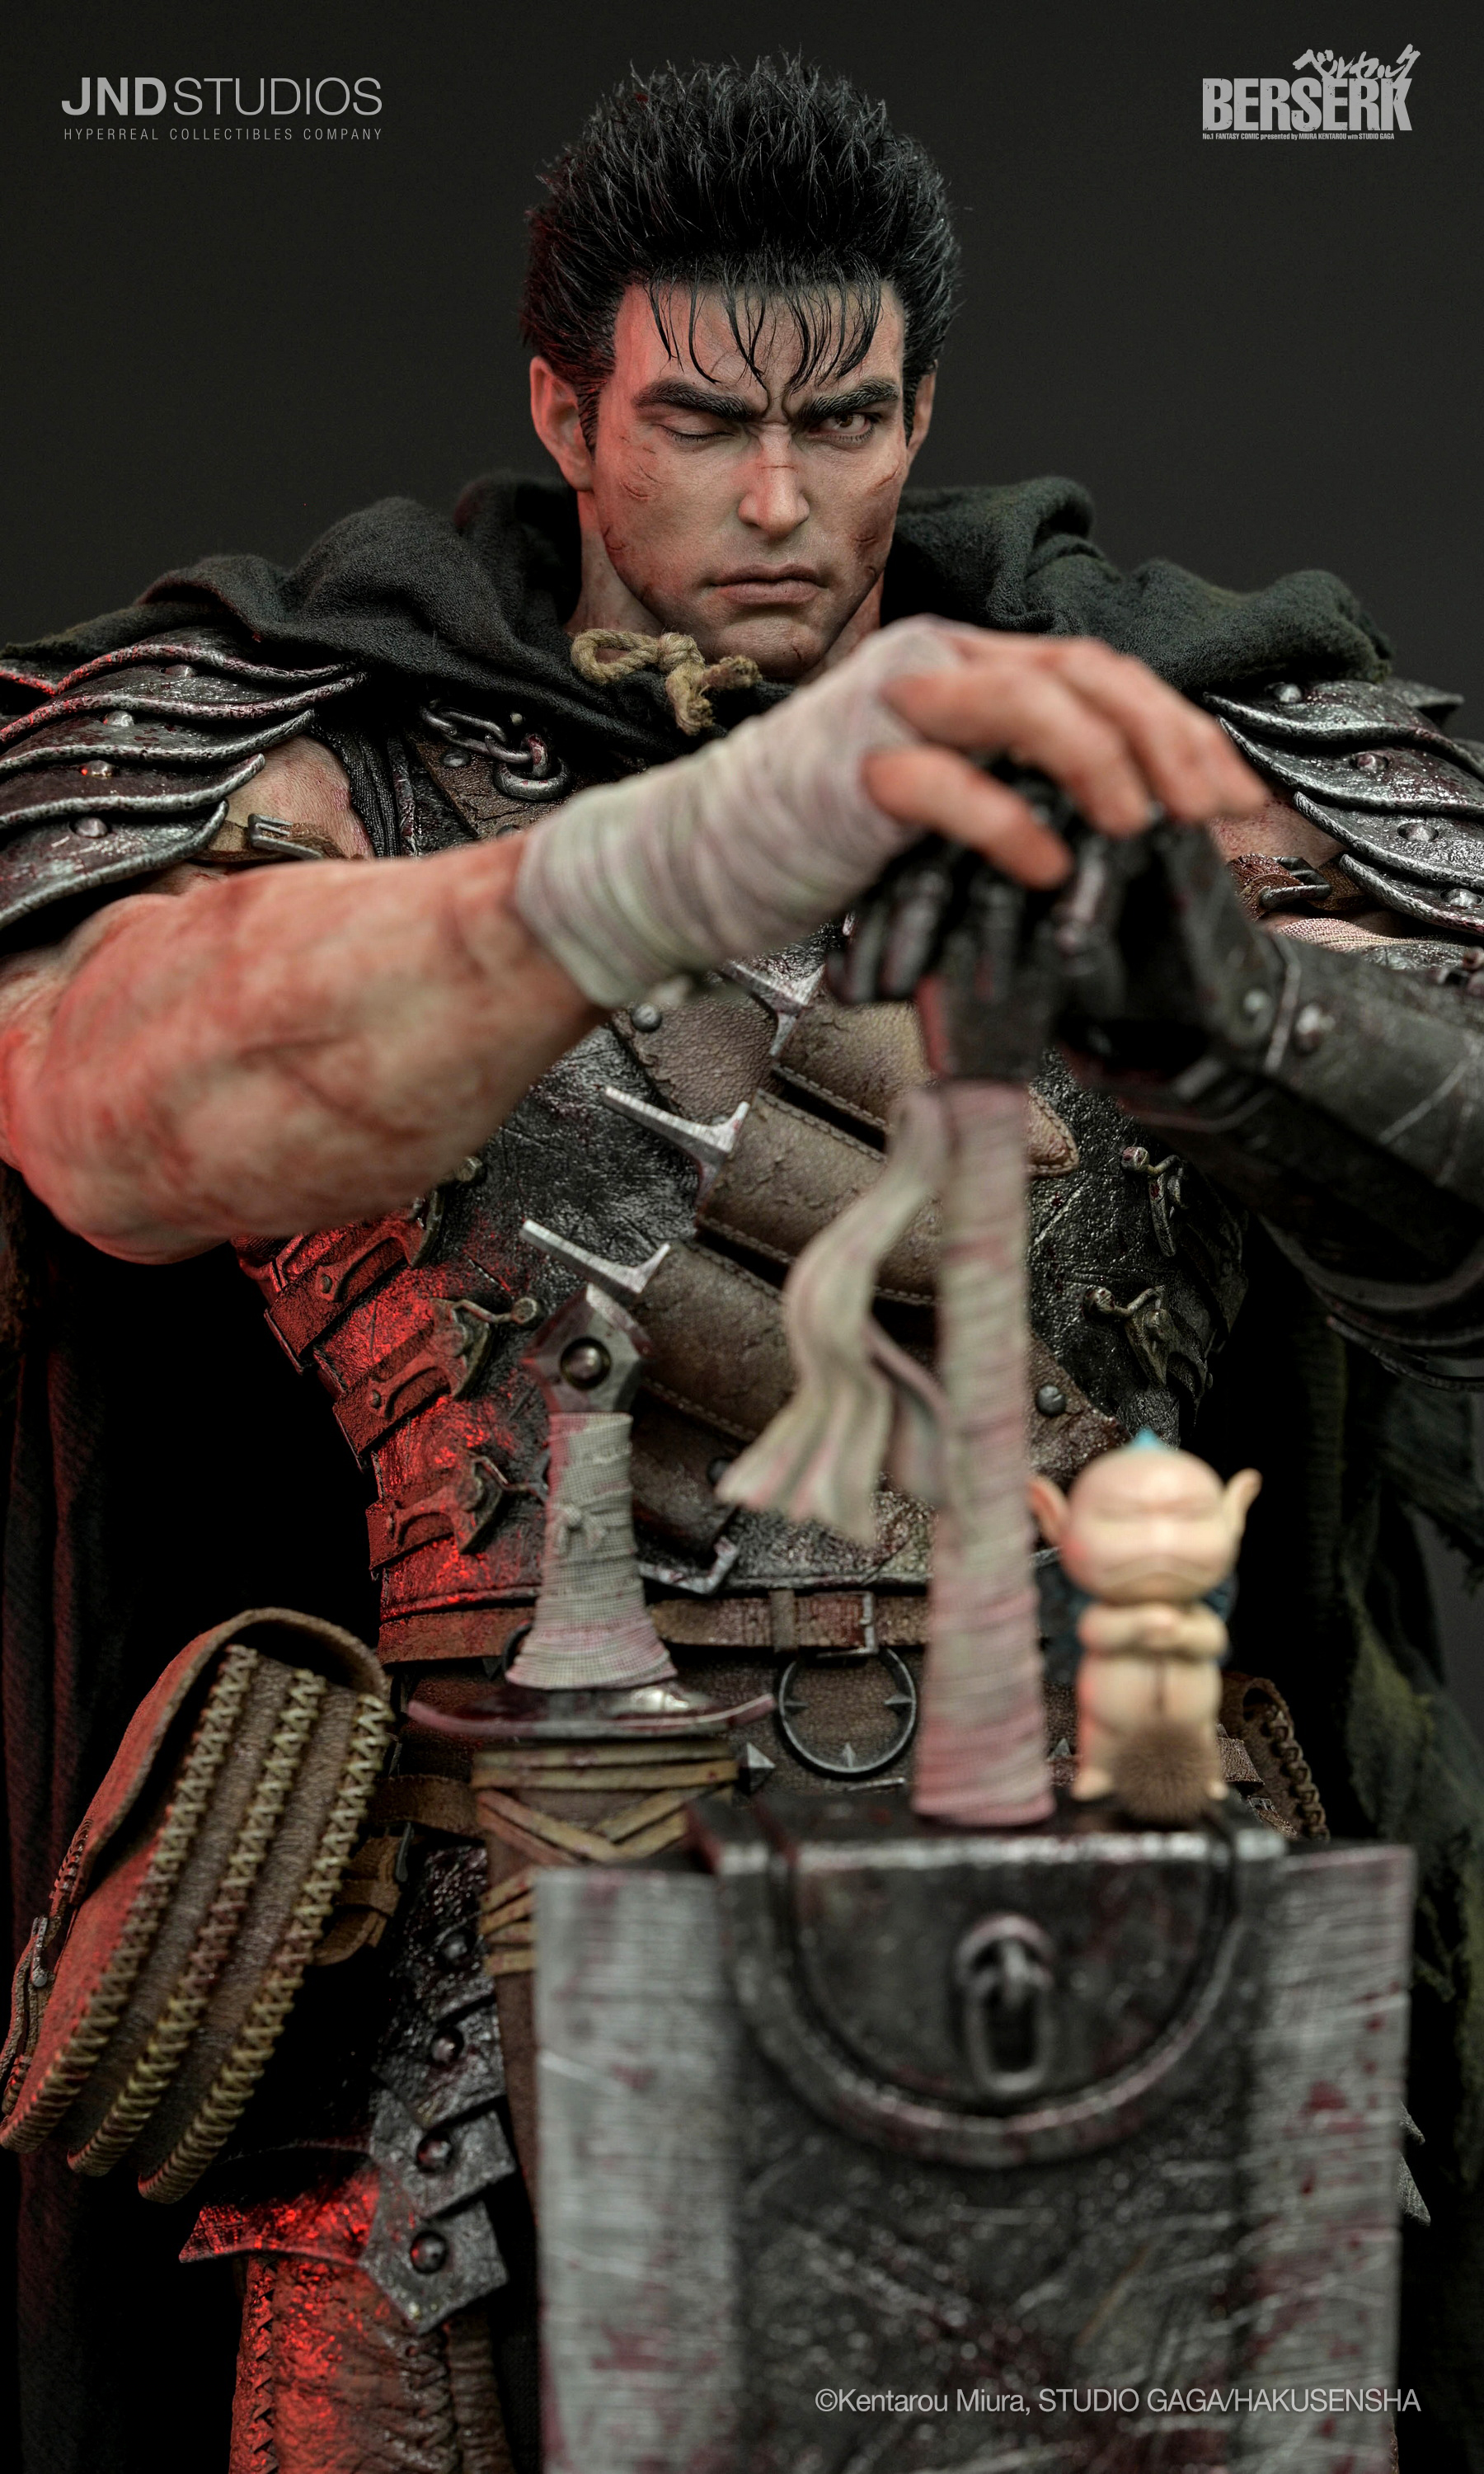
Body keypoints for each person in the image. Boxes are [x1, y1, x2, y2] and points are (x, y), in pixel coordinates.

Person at [2, 56, 1482, 2474]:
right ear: (563, 408)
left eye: (847, 422)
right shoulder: (310, 752)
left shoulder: (1186, 751)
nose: (781, 503)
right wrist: (658, 865)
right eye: (700, 424)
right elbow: (114, 1108)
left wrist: (1233, 1013)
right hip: (495, 1986)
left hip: (1106, 1910)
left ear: (926, 409)